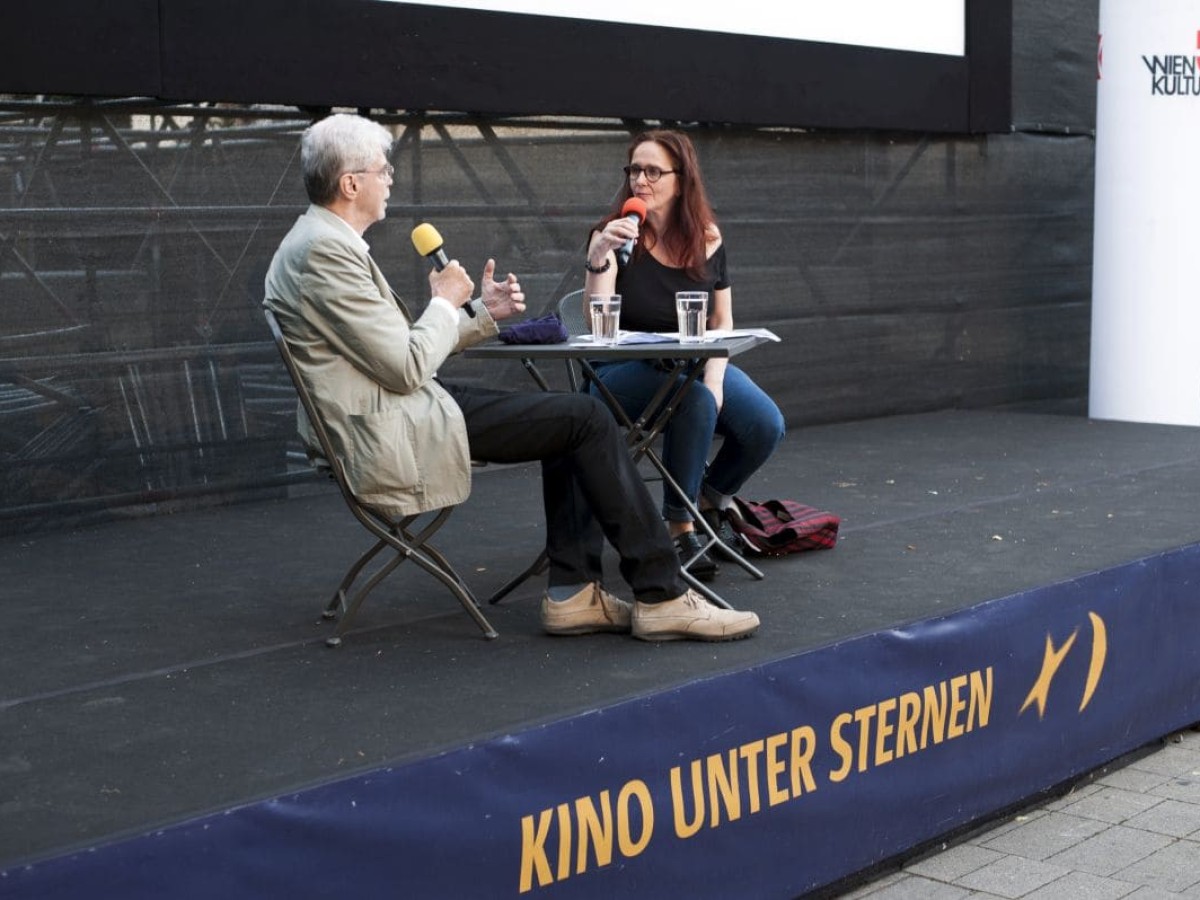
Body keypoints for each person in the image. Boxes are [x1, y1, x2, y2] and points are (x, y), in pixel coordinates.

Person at [263, 113, 760, 642]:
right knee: (586, 417)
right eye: (383, 170)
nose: (390, 180)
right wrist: (442, 302)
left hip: (401, 404)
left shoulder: (318, 241)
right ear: (350, 183)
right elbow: (406, 364)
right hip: (386, 427)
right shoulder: (325, 252)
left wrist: (478, 313)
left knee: (572, 418)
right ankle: (659, 595)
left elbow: (392, 352)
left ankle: (573, 594)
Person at [584, 130, 785, 579]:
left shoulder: (708, 238)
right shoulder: (614, 234)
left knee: (764, 425)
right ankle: (678, 526)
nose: (640, 180)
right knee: (689, 400)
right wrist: (599, 256)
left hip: (692, 364)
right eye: (634, 169)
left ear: (681, 179)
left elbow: (721, 322)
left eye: (653, 171)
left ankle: (709, 498)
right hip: (619, 371)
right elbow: (596, 320)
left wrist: (714, 379)